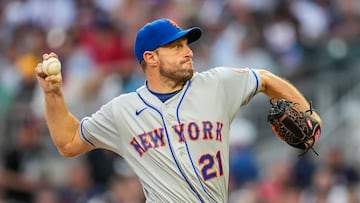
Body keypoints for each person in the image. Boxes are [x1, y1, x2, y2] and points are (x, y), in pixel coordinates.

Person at [35, 18, 322, 202]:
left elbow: (265, 79)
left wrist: (307, 112)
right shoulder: (123, 110)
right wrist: (53, 94)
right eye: (176, 46)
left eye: (186, 44)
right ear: (151, 58)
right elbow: (69, 141)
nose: (188, 52)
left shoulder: (216, 84)